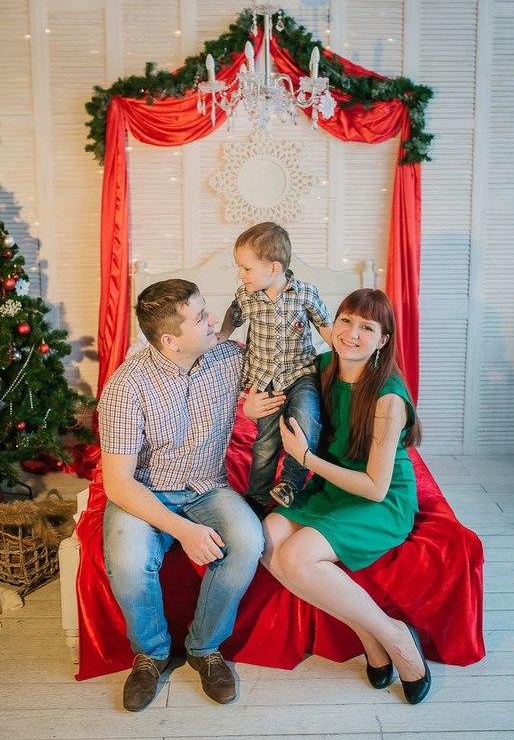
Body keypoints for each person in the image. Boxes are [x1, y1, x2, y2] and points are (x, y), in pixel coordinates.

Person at [98, 278, 285, 711]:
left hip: (207, 486)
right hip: (145, 491)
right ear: (170, 340)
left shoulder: (229, 358)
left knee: (248, 539)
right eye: (200, 318)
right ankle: (151, 654)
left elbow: (285, 359)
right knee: (128, 560)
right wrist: (184, 531)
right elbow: (119, 483)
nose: (213, 320)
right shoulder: (126, 386)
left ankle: (204, 647)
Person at [261, 288, 432, 705]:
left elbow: (375, 486)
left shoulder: (387, 397)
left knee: (296, 556)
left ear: (383, 340)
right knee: (264, 540)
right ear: (332, 323)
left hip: (379, 499)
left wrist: (306, 459)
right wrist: (252, 409)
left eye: (367, 328)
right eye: (346, 321)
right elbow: (265, 372)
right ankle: (368, 636)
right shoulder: (319, 368)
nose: (352, 334)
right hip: (329, 487)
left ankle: (396, 636)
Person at [218, 222, 332, 517]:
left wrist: (342, 350)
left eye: (246, 268)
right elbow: (234, 314)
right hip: (265, 380)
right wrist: (223, 334)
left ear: (274, 268)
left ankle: (291, 483)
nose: (240, 275)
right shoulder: (247, 296)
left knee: (305, 421)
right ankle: (256, 498)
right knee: (266, 442)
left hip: (300, 374)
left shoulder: (305, 294)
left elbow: (325, 325)